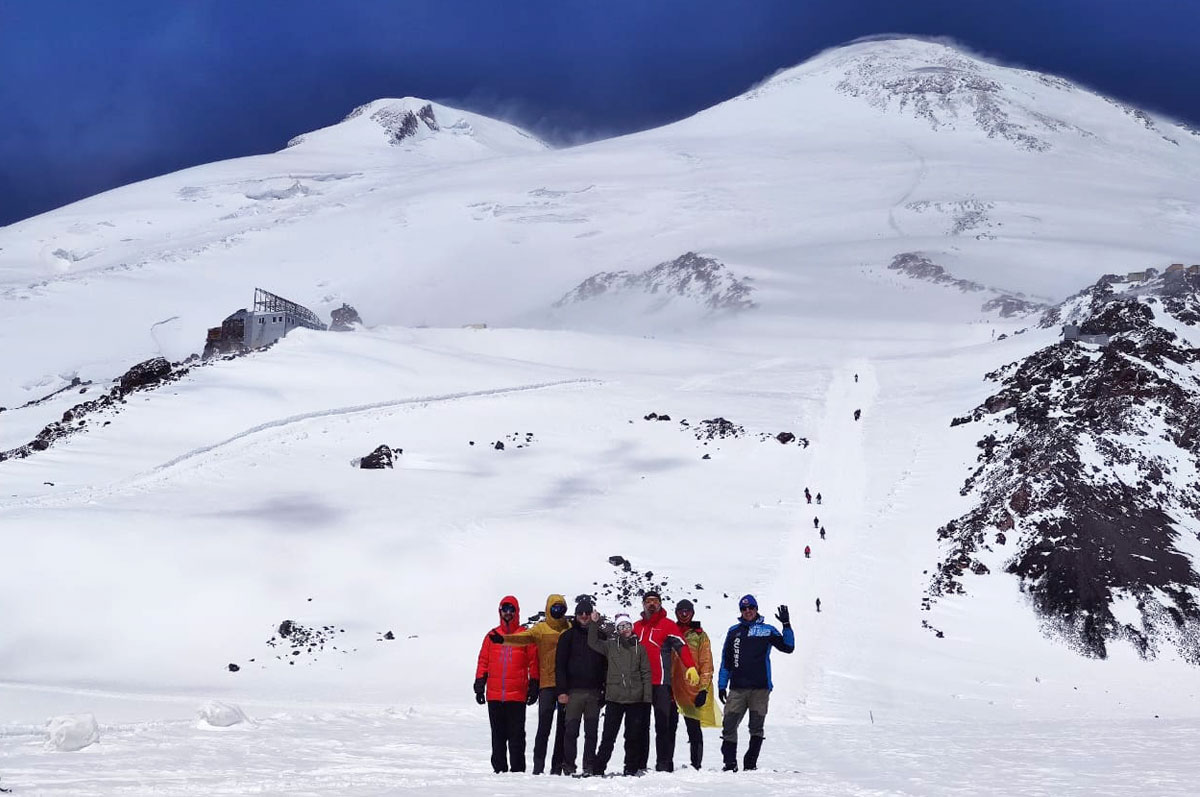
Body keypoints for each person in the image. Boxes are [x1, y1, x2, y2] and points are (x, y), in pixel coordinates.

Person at [490, 594, 570, 774]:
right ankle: (538, 768)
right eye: (554, 608)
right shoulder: (540, 629)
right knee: (544, 727)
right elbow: (522, 638)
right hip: (547, 683)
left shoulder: (569, 627)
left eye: (561, 608)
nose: (557, 612)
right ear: (548, 608)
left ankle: (558, 767)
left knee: (563, 729)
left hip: (566, 684)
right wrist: (504, 640)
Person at [718, 594, 795, 772]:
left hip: (760, 689)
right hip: (737, 688)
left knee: (756, 727)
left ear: (756, 609)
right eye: (744, 609)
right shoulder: (733, 631)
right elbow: (726, 661)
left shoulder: (767, 630)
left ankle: (750, 763)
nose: (748, 611)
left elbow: (788, 647)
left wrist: (786, 625)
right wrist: (722, 685)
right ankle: (730, 763)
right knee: (728, 725)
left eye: (751, 608)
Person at [633, 591, 699, 772]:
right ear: (643, 604)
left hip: (661, 683)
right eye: (648, 601)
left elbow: (682, 646)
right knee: (641, 725)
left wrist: (690, 666)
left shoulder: (668, 625)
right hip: (641, 684)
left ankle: (664, 764)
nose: (651, 604)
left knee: (663, 725)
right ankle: (639, 764)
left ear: (660, 604)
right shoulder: (636, 627)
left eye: (655, 601)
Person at [475, 595, 539, 773]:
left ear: (517, 612)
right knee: (498, 736)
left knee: (517, 736)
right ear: (500, 611)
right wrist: (480, 684)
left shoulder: (525, 636)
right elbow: (483, 661)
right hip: (495, 695)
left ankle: (517, 771)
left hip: (517, 695)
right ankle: (499, 771)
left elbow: (534, 663)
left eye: (512, 610)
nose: (508, 613)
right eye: (505, 609)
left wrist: (534, 685)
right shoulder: (491, 635)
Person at [587, 611, 652, 776]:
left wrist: (647, 699)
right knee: (608, 737)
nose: (625, 629)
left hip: (635, 699)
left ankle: (630, 769)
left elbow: (646, 673)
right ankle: (598, 768)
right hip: (614, 698)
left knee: (632, 737)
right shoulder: (610, 646)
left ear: (631, 626)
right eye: (621, 626)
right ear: (617, 629)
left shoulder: (640, 649)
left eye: (627, 625)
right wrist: (594, 623)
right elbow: (593, 642)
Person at [555, 599, 607, 776]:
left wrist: (605, 690)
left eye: (587, 613)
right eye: (580, 613)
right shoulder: (567, 637)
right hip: (573, 692)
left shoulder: (601, 636)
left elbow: (607, 666)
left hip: (594, 692)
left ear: (592, 615)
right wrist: (561, 691)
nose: (584, 616)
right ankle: (569, 764)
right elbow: (560, 665)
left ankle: (589, 765)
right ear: (576, 616)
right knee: (571, 731)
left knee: (591, 732)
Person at [669, 599, 720, 770]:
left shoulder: (700, 635)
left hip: (691, 689)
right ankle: (665, 763)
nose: (684, 614)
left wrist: (703, 689)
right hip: (670, 688)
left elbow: (706, 663)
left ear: (692, 613)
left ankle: (696, 765)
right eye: (681, 611)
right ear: (676, 612)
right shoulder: (670, 631)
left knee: (694, 729)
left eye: (687, 611)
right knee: (668, 728)